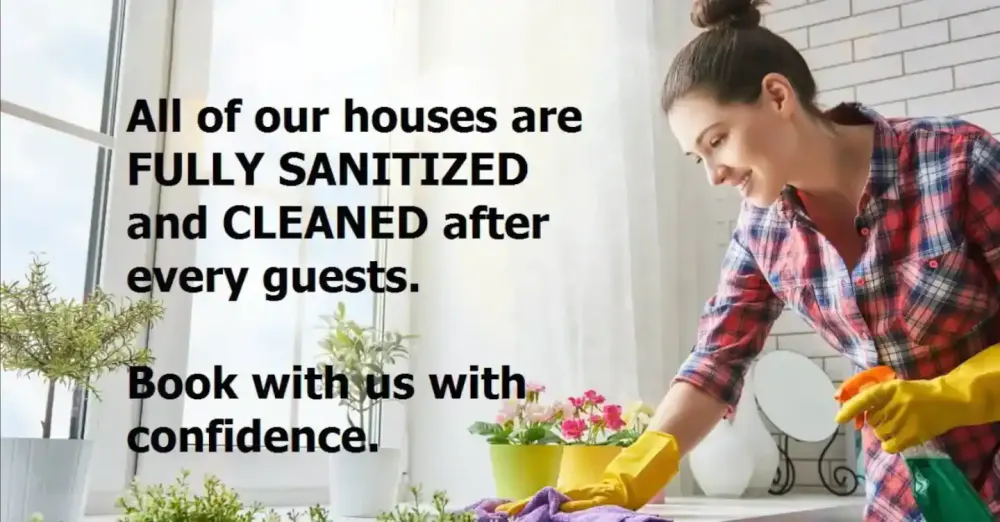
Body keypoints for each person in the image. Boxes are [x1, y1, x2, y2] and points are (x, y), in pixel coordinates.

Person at [496, 0, 1000, 520]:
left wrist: (951, 395)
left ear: (777, 96)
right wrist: (629, 476)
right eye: (699, 156)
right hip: (907, 497)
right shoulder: (762, 230)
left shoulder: (955, 162)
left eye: (718, 140)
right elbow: (717, 361)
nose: (713, 173)